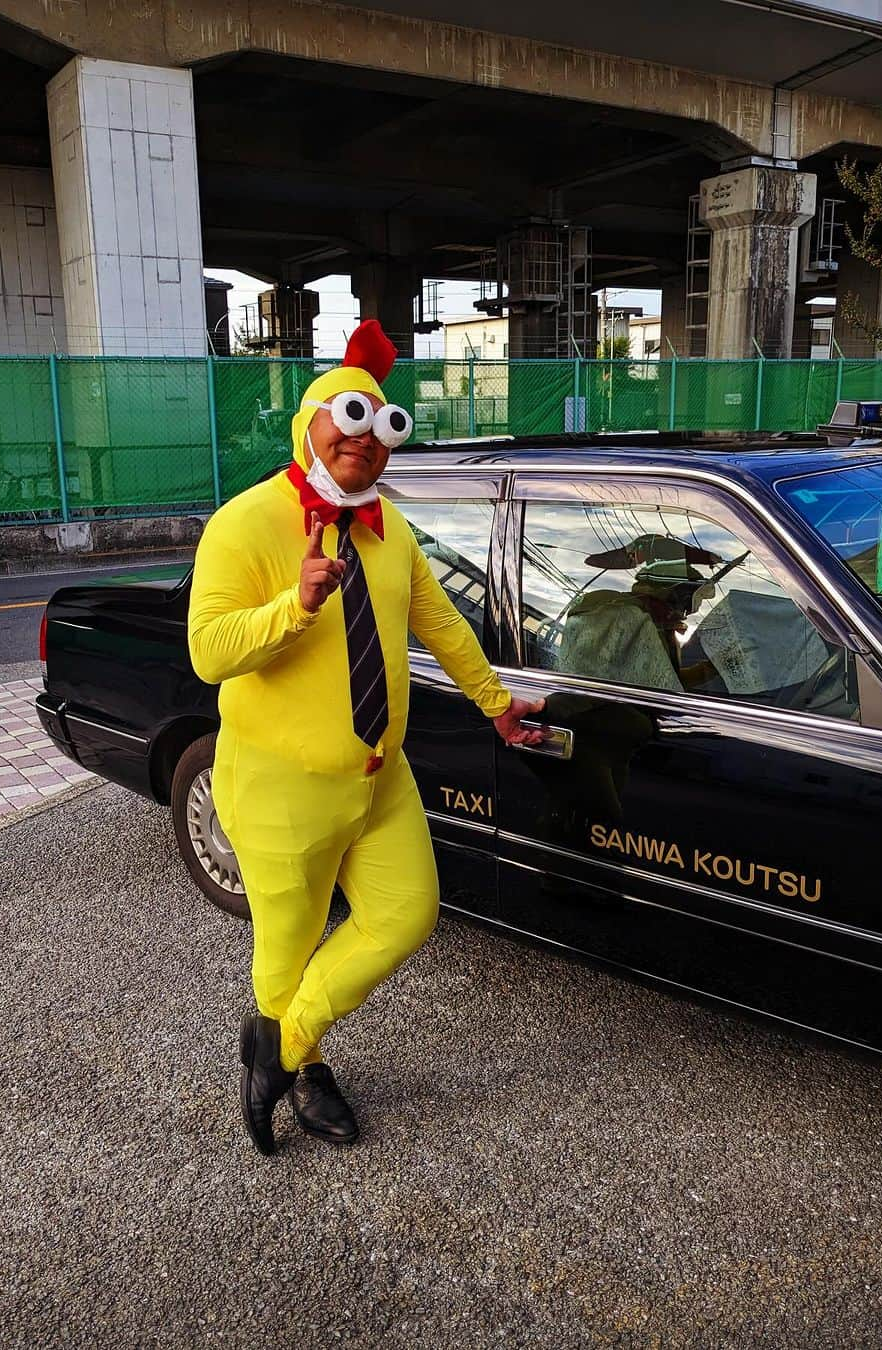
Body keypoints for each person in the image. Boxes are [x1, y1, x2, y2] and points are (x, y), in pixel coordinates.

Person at [187, 320, 543, 1155]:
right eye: (346, 419)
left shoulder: (391, 534)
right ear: (308, 426)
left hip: (381, 778)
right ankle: (306, 1072)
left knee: (406, 914)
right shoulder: (244, 525)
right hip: (283, 787)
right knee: (287, 946)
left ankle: (280, 1044)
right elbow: (208, 652)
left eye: (379, 428)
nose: (361, 441)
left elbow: (443, 624)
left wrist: (494, 701)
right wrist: (294, 608)